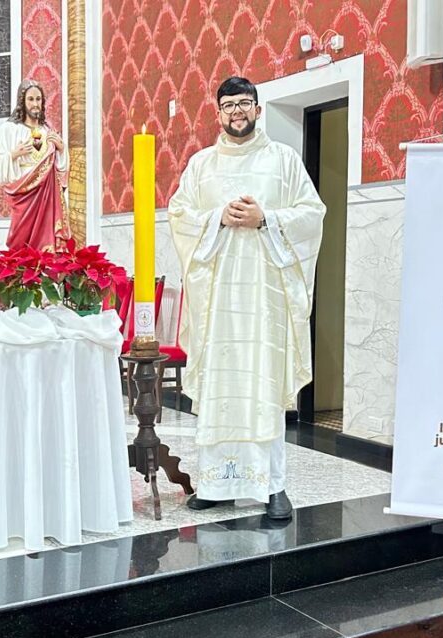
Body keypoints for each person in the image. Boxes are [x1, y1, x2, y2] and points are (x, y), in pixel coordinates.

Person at [167, 76, 325, 521]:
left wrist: (265, 219)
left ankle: (273, 487)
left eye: (244, 103)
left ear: (258, 109)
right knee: (222, 387)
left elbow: (312, 215)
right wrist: (218, 217)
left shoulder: (284, 161)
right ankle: (217, 485)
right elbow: (180, 214)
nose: (237, 111)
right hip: (217, 306)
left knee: (262, 384)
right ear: (217, 113)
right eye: (228, 105)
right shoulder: (201, 165)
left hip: (264, 302)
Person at [0, 79, 70, 251]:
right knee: (20, 241)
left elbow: (59, 170)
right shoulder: (9, 129)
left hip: (47, 198)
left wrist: (62, 150)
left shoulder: (47, 131)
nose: (35, 104)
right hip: (23, 195)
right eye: (31, 99)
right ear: (22, 102)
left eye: (38, 99)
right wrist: (14, 154)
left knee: (46, 245)